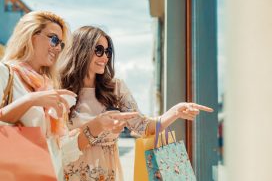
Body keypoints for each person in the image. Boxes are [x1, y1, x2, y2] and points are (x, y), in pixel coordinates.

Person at [59, 25, 214, 181]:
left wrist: (175, 112)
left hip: (105, 175)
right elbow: (56, 143)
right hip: (69, 173)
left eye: (108, 52)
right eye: (99, 50)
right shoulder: (59, 88)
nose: (105, 57)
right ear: (81, 49)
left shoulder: (116, 88)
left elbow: (143, 126)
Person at [0, 11, 138, 181]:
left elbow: (61, 150)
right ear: (31, 35)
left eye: (61, 44)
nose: (58, 48)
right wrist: (31, 100)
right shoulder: (5, 73)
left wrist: (97, 126)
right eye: (53, 39)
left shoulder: (50, 85)